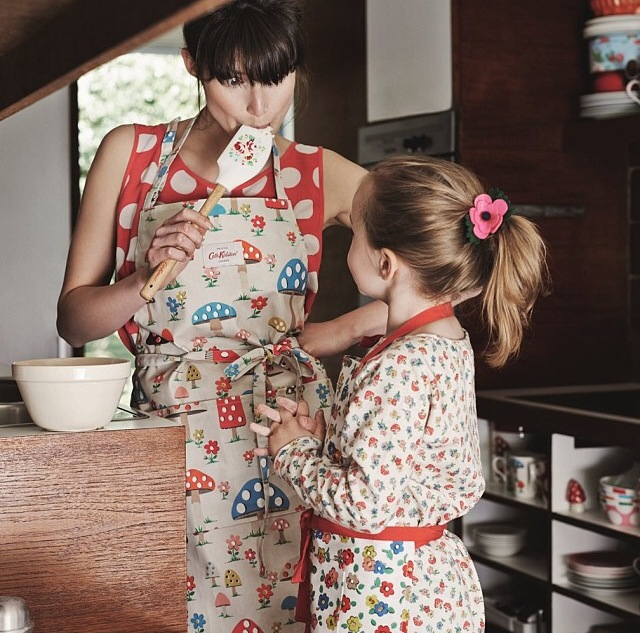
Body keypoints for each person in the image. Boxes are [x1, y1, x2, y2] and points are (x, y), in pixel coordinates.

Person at [56, 1, 384, 631]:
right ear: (192, 67)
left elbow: (431, 249)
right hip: (178, 439)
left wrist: (351, 329)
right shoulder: (132, 155)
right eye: (233, 80)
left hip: (290, 435)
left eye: (276, 76)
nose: (259, 106)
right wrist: (141, 279)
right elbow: (75, 320)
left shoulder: (317, 172)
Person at [252, 155, 550, 632]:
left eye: (354, 235)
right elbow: (407, 458)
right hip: (419, 580)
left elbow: (363, 503)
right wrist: (332, 438)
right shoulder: (444, 342)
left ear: (385, 263)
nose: (347, 246)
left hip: (379, 589)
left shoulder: (399, 366)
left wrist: (293, 453)